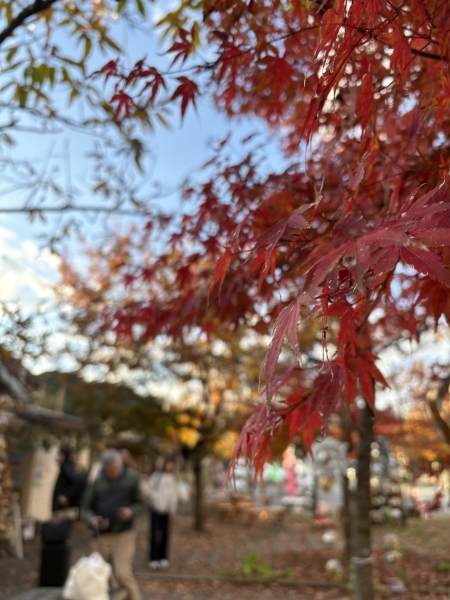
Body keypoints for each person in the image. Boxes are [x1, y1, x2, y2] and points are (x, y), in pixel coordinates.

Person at [82, 449, 144, 600]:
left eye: (115, 469)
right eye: (109, 470)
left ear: (120, 464)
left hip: (123, 534)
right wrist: (92, 519)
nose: (113, 473)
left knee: (122, 575)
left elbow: (141, 503)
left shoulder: (132, 477)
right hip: (101, 536)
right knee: (103, 578)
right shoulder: (97, 480)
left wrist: (131, 512)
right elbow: (85, 508)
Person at [147, 457, 178, 569]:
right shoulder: (157, 476)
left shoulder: (174, 478)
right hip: (156, 508)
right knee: (155, 533)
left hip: (167, 510)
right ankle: (153, 558)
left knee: (165, 534)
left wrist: (173, 508)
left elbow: (174, 494)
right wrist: (155, 500)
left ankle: (163, 557)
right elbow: (149, 489)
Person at [52, 446, 83, 512]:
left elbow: (76, 482)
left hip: (62, 506)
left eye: (59, 454)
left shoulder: (67, 467)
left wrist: (66, 495)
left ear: (63, 455)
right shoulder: (66, 466)